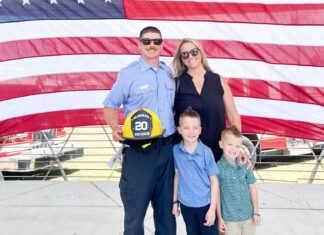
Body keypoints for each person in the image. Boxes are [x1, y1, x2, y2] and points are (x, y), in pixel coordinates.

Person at [103, 26, 176, 235]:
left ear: (162, 44)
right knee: (135, 215)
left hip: (168, 150)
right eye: (147, 41)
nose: (152, 45)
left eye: (156, 41)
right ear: (139, 44)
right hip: (140, 152)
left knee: (166, 214)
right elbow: (110, 105)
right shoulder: (129, 74)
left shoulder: (169, 73)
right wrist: (114, 126)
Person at [172, 38, 241, 162]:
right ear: (181, 59)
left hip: (217, 154)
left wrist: (236, 146)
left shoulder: (218, 80)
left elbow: (233, 116)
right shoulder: (176, 83)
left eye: (194, 52)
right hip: (186, 156)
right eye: (185, 54)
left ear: (201, 52)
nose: (190, 56)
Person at [172, 107, 222, 235]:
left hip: (205, 205)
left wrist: (212, 209)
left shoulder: (206, 152)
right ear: (179, 130)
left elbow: (214, 181)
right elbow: (177, 176)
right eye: (186, 127)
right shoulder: (176, 151)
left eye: (195, 128)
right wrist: (175, 201)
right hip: (186, 205)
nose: (191, 131)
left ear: (200, 130)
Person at [217, 126, 261, 235]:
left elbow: (252, 188)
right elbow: (216, 194)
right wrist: (219, 218)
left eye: (237, 146)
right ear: (221, 144)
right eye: (230, 144)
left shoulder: (245, 165)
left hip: (248, 217)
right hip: (230, 220)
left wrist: (256, 213)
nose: (233, 149)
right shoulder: (217, 168)